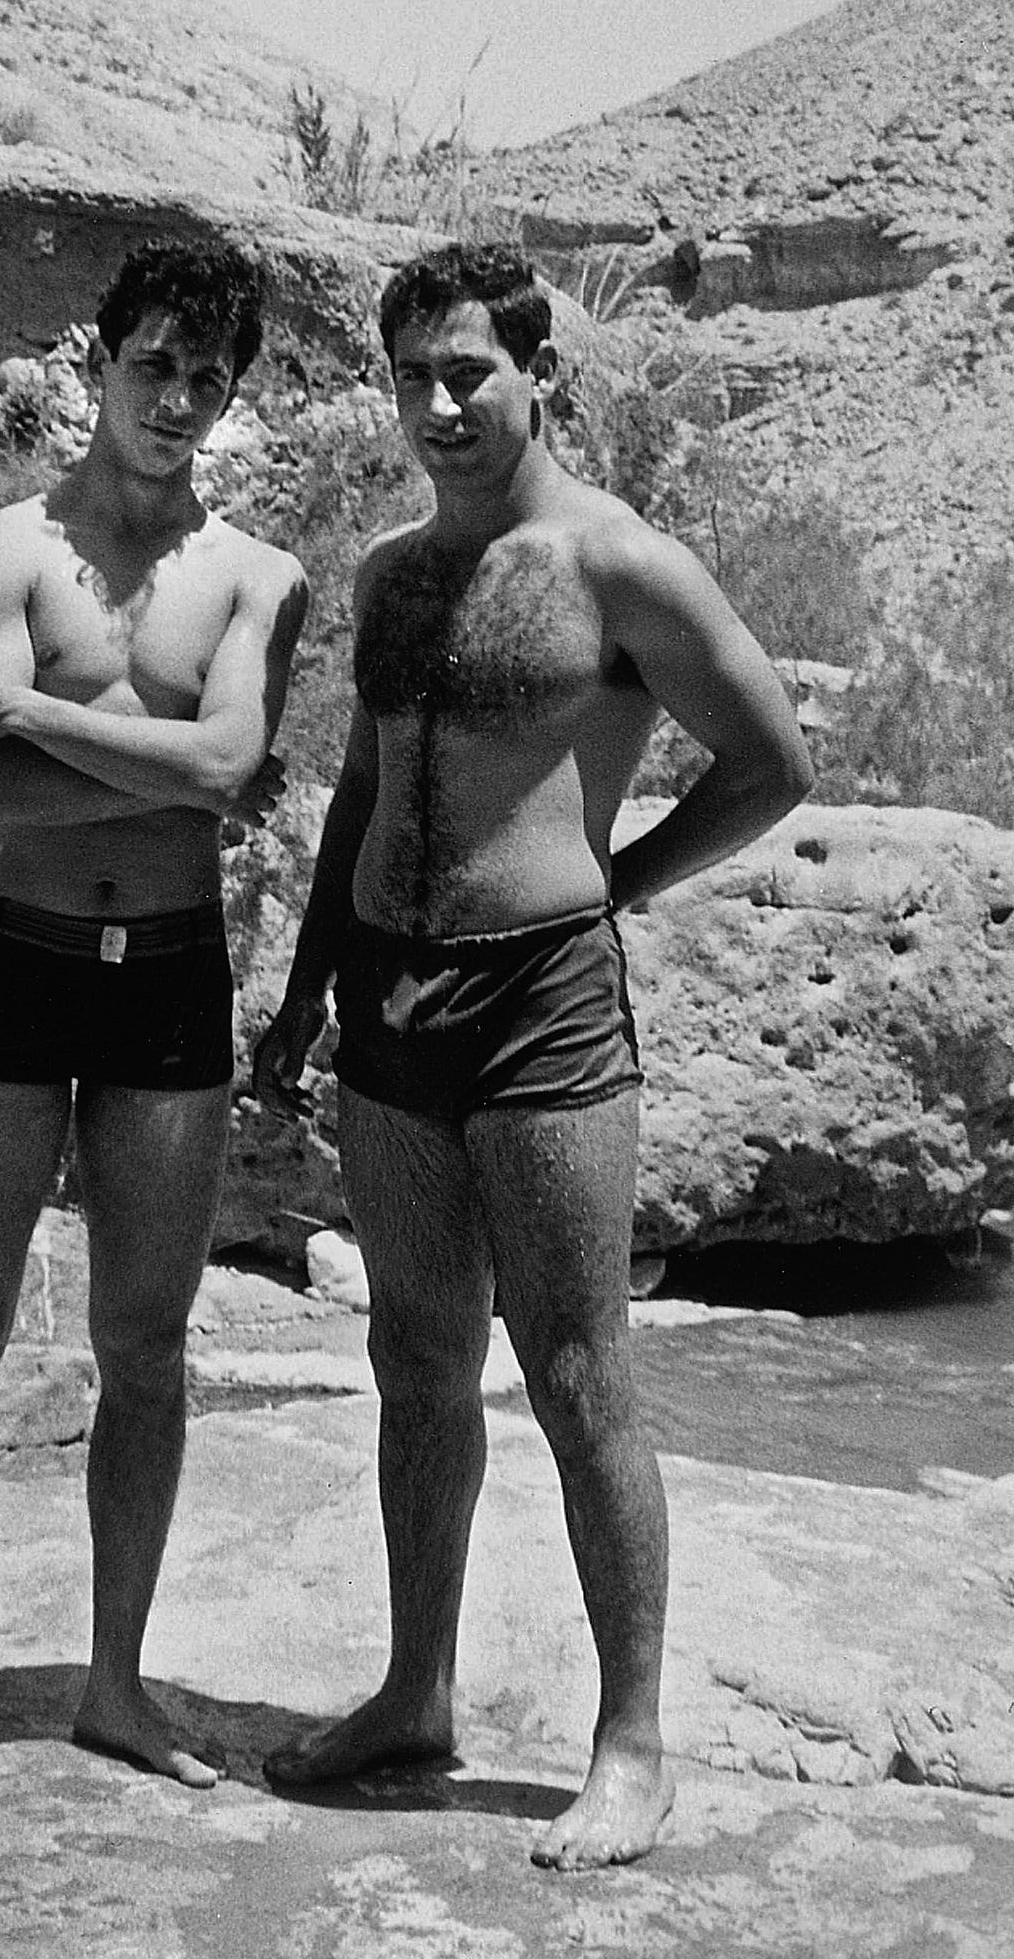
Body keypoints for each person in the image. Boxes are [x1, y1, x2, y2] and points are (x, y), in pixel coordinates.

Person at [252, 242, 811, 1869]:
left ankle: (630, 1744)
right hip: (388, 1013)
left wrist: (616, 878)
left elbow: (770, 761)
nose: (438, 405)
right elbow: (362, 793)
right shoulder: (388, 574)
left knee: (576, 1375)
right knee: (417, 1363)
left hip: (543, 1007)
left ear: (538, 374)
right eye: (412, 375)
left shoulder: (621, 566)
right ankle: (415, 1693)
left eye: (468, 373)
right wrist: (304, 996)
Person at [0, 239, 308, 1807]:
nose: (180, 400)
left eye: (209, 378)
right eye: (157, 366)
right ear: (100, 360)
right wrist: (145, 756)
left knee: (146, 1342)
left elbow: (222, 775)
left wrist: (37, 716)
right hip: (10, 953)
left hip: (171, 973)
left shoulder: (258, 574)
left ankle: (117, 1685)